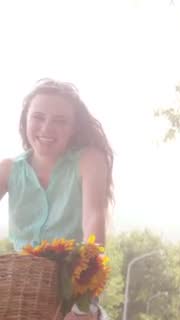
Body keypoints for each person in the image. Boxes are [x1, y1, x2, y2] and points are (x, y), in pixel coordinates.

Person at [0, 78, 112, 320]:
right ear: (25, 120)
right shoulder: (8, 169)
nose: (47, 128)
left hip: (74, 287)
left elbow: (94, 219)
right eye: (38, 117)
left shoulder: (89, 160)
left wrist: (84, 305)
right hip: (20, 291)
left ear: (74, 129)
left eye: (60, 121)